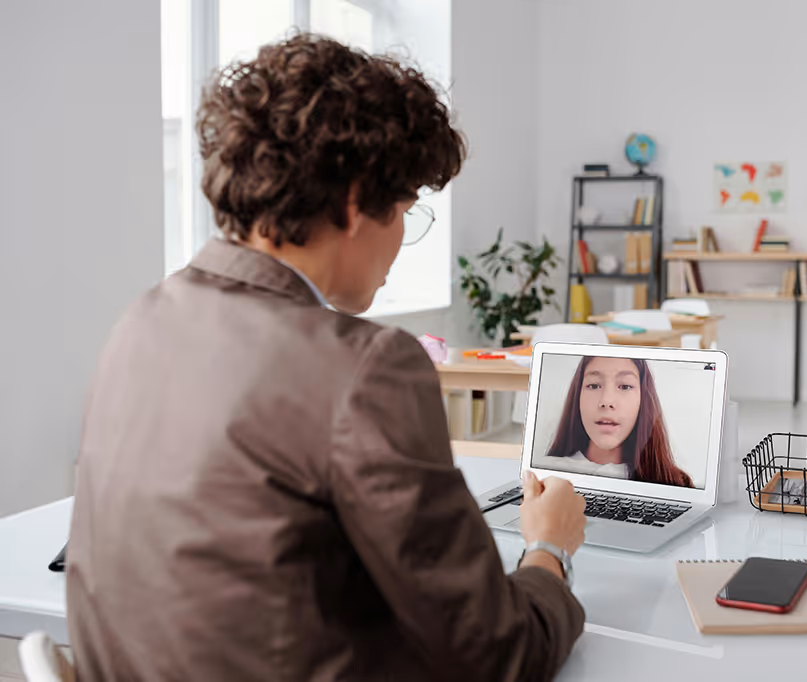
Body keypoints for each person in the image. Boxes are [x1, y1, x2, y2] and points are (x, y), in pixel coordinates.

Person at [66, 33, 586, 681]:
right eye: (403, 211)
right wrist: (549, 551)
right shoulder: (362, 367)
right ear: (354, 200)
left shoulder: (142, 320)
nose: (401, 240)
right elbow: (497, 653)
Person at [537, 356, 695, 487]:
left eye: (625, 386)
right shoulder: (543, 475)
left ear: (643, 400)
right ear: (577, 396)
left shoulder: (675, 484)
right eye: (593, 385)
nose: (606, 401)